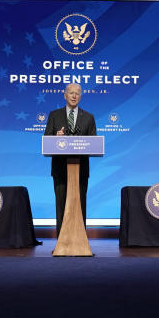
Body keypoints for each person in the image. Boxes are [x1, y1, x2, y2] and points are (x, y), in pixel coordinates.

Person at [43, 83, 97, 234]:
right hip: (60, 169)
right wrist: (56, 138)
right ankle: (61, 241)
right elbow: (46, 140)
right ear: (65, 95)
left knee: (80, 205)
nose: (74, 96)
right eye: (71, 93)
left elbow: (93, 143)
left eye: (77, 93)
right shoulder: (54, 115)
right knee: (61, 205)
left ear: (80, 96)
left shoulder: (88, 117)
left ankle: (80, 240)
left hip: (81, 170)